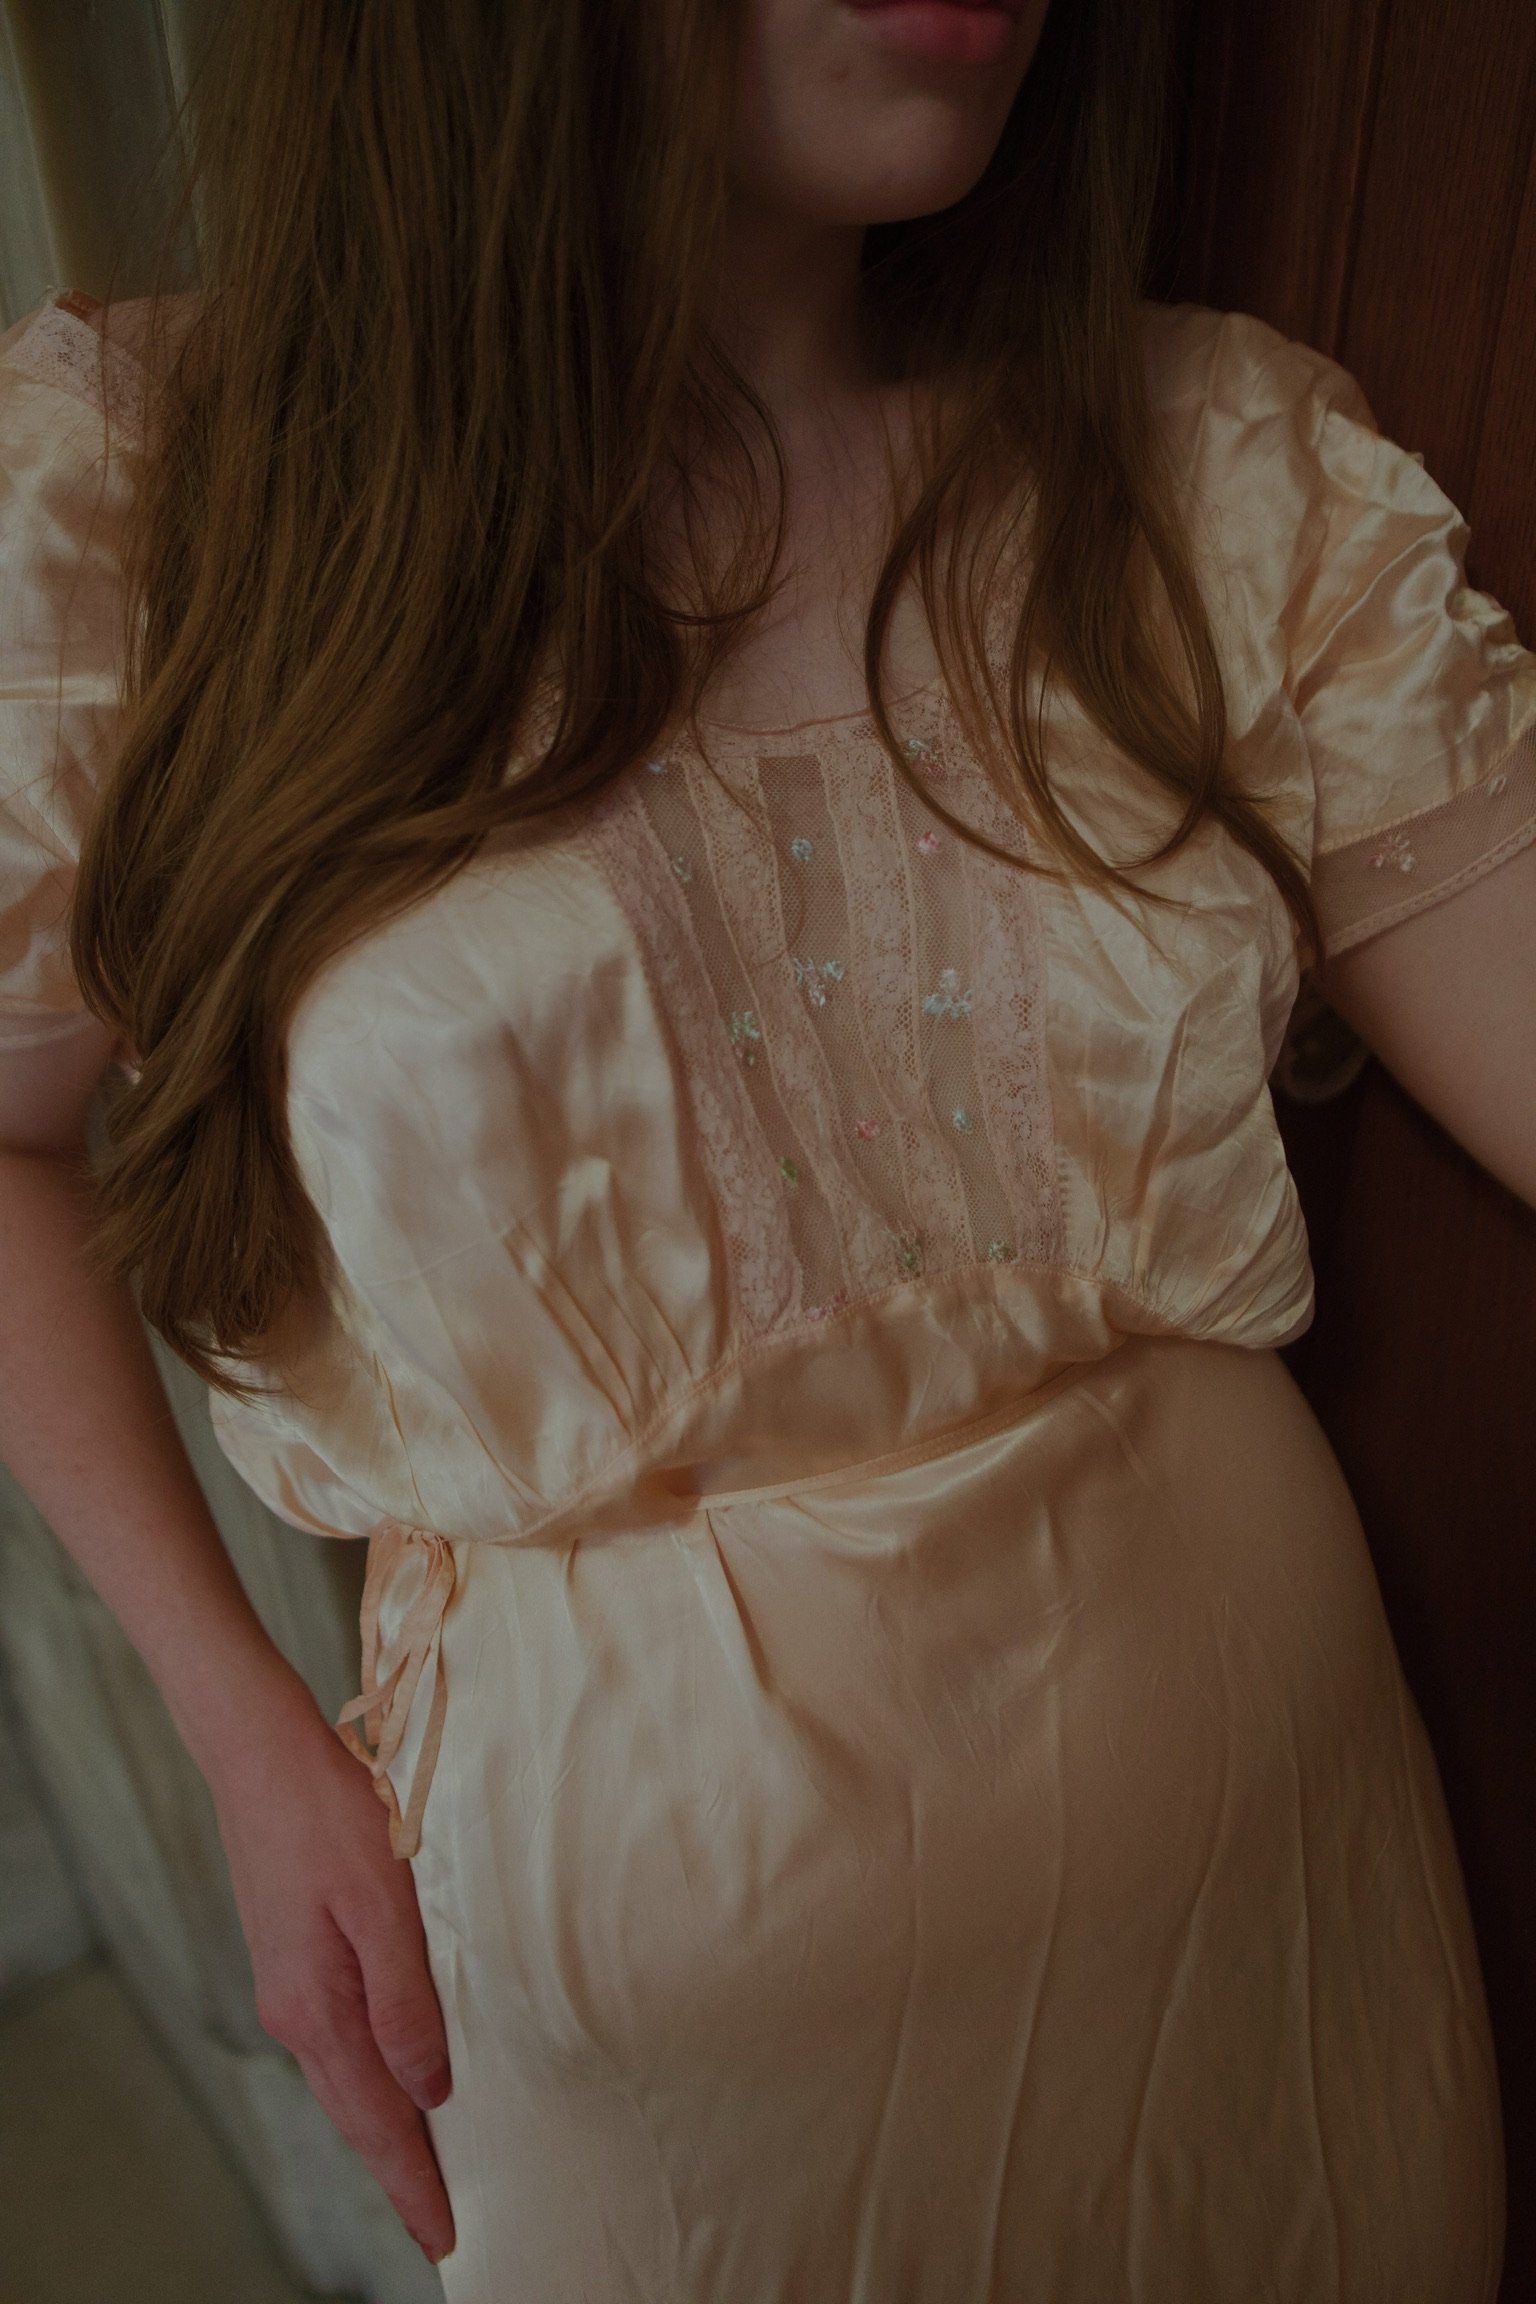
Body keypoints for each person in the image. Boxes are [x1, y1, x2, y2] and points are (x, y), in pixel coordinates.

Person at [0, 0, 1530, 2296]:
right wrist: (239, 1729)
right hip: (662, 2070)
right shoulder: (149, 494)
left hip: (1281, 1944)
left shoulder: (1211, 469)